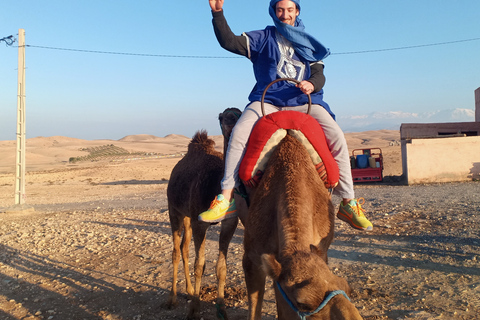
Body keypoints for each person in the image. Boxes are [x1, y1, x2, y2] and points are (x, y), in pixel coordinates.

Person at [199, 0, 373, 231]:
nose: (285, 14)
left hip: (304, 102)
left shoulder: (309, 42)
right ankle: (226, 198)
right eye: (280, 10)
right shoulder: (263, 37)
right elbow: (229, 42)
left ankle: (348, 202)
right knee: (240, 132)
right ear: (274, 11)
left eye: (289, 10)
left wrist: (311, 84)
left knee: (337, 136)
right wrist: (218, 13)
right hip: (267, 101)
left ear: (297, 11)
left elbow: (319, 75)